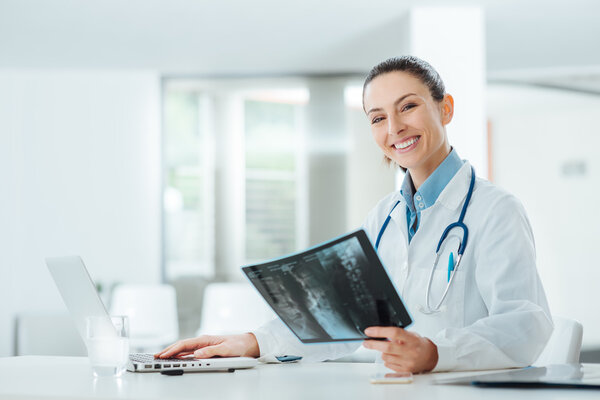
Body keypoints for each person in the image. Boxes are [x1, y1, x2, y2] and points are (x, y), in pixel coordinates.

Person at [155, 56, 553, 373]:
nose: (394, 127)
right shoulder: (384, 217)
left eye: (408, 107)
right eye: (377, 117)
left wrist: (434, 353)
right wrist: (252, 342)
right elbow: (344, 318)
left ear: (445, 108)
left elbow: (525, 324)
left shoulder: (495, 210)